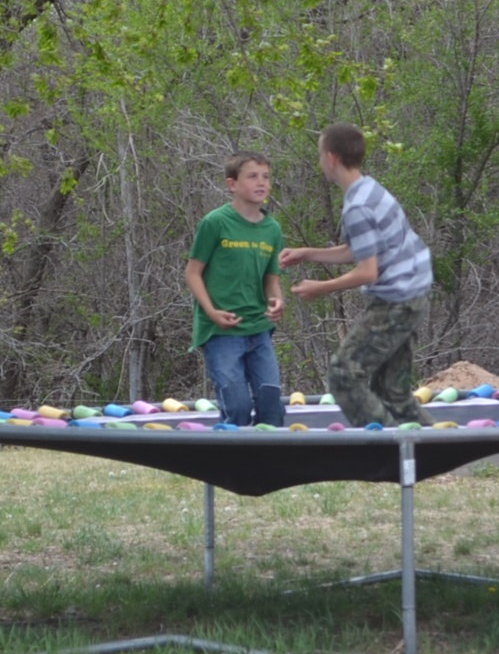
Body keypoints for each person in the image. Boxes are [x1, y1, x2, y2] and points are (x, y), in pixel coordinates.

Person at [280, 124, 433, 427]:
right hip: (413, 295)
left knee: (343, 374)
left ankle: (385, 444)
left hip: (396, 303)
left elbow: (367, 271)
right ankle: (430, 447)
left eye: (320, 155)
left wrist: (321, 287)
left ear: (332, 157)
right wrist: (308, 253)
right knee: (392, 393)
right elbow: (361, 251)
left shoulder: (358, 207)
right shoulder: (369, 189)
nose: (320, 162)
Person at [185, 152, 288, 427]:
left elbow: (272, 280)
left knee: (271, 405)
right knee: (238, 406)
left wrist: (277, 300)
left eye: (266, 177)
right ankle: (232, 453)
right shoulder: (215, 222)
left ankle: (270, 454)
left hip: (259, 328)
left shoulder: (272, 229)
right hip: (222, 331)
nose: (261, 182)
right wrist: (211, 311)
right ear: (232, 184)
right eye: (252, 176)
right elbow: (192, 273)